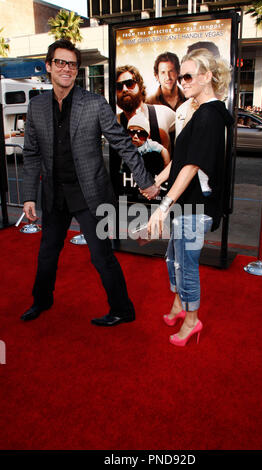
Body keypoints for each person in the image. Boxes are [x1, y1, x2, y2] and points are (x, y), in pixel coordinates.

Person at [21, 39, 159, 327]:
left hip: (90, 196)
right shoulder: (36, 107)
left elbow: (123, 143)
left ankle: (123, 310)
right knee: (47, 253)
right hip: (54, 195)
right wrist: (29, 195)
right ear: (48, 66)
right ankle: (42, 300)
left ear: (77, 70)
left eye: (71, 64)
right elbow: (32, 153)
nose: (66, 68)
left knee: (101, 256)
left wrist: (145, 181)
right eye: (60, 62)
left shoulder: (94, 104)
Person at [143, 48, 234, 346]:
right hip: (187, 203)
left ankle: (193, 320)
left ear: (208, 76)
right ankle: (178, 306)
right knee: (174, 258)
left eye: (188, 75)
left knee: (186, 263)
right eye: (180, 76)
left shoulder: (210, 116)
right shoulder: (198, 111)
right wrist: (156, 182)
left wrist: (163, 207)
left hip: (199, 206)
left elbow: (193, 166)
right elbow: (181, 159)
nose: (181, 81)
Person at [116, 65, 175, 152]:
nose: (124, 89)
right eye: (119, 86)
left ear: (140, 86)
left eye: (129, 84)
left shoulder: (163, 113)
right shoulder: (115, 123)